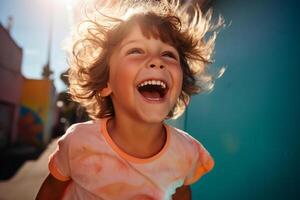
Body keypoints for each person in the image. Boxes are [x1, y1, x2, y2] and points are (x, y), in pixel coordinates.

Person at [36, 0, 224, 199]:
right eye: (136, 51)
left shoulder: (187, 153)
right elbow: (50, 191)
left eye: (168, 54)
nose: (156, 61)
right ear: (106, 83)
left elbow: (183, 194)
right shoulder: (78, 143)